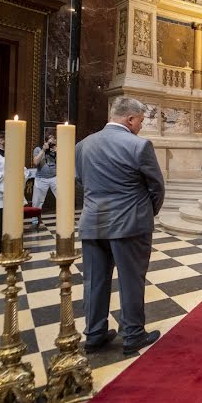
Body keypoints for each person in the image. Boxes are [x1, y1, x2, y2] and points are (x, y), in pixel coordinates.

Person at [76, 97, 166, 355]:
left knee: (93, 281)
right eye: (140, 121)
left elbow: (80, 179)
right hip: (130, 224)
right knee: (131, 280)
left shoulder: (83, 145)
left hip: (93, 221)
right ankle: (133, 334)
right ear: (130, 119)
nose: (141, 127)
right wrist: (147, 211)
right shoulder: (138, 146)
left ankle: (94, 335)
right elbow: (156, 186)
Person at [30, 131, 58, 224]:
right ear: (45, 141)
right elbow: (35, 162)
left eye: (53, 140)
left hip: (55, 177)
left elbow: (64, 162)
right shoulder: (38, 149)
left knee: (62, 197)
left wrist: (58, 152)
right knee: (37, 201)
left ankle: (65, 216)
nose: (52, 143)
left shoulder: (56, 149)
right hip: (41, 178)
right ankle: (35, 220)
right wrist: (43, 150)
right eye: (50, 140)